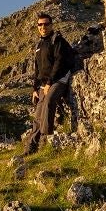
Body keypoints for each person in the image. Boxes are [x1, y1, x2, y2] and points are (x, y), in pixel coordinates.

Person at [25, 12, 78, 154]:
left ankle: (45, 142)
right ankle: (31, 146)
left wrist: (49, 82)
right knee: (38, 113)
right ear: (37, 26)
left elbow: (59, 63)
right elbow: (37, 68)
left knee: (49, 102)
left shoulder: (57, 40)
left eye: (46, 24)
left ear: (51, 25)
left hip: (59, 79)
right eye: (40, 24)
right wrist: (35, 88)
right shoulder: (38, 45)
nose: (43, 27)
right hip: (44, 84)